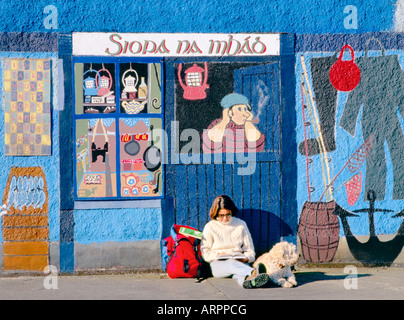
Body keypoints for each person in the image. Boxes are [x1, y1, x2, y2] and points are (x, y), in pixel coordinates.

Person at [200, 195, 270, 288]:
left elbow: (250, 251)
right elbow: (205, 252)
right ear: (215, 213)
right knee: (231, 264)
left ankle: (249, 281)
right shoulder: (210, 226)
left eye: (228, 214)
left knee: (238, 274)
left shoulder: (240, 224)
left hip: (240, 262)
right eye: (221, 215)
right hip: (218, 264)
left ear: (232, 212)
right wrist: (217, 255)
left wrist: (246, 258)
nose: (225, 218)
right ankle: (253, 272)